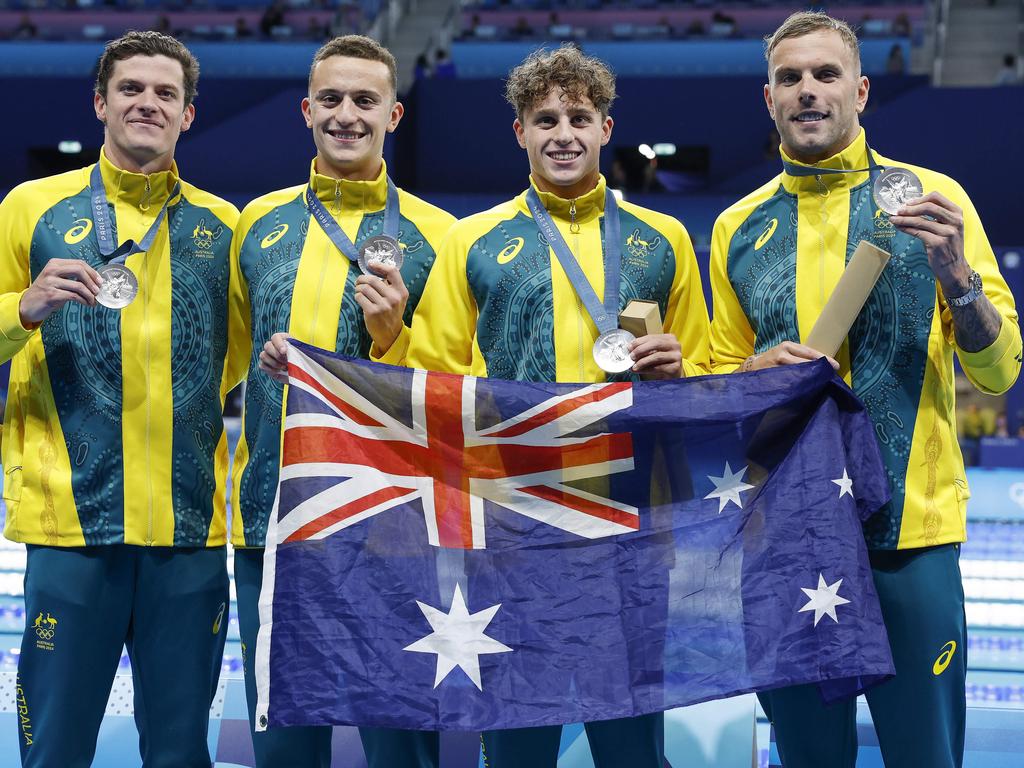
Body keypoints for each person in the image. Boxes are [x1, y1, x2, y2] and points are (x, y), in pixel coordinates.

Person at [373, 43, 710, 767]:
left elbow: (707, 380)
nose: (564, 132)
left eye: (579, 117)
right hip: (513, 528)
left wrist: (682, 368)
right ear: (519, 131)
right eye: (545, 117)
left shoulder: (665, 240)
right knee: (519, 744)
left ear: (606, 128)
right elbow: (434, 386)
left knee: (632, 747)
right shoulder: (474, 242)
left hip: (630, 524)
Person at [709, 12, 1021, 768]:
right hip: (787, 537)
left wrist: (958, 279)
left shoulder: (936, 202)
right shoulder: (735, 227)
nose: (808, 91)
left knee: (927, 757)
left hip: (909, 538)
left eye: (825, 75)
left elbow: (1000, 368)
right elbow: (711, 381)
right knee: (809, 758)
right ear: (769, 98)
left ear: (862, 90)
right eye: (791, 78)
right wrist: (749, 375)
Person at [0, 31, 240, 767]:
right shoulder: (30, 208)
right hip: (71, 526)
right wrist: (23, 310)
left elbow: (237, 363)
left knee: (178, 753)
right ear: (100, 103)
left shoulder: (225, 226)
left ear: (187, 115)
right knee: (56, 751)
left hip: (189, 531)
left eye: (166, 93)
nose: (148, 103)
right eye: (132, 88)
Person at [229, 34, 455, 768]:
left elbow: (455, 388)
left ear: (394, 114)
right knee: (286, 748)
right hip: (276, 519)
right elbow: (224, 363)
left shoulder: (440, 237)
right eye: (331, 99)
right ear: (305, 110)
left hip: (397, 531)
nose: (347, 114)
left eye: (365, 100)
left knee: (403, 750)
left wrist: (394, 337)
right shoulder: (256, 223)